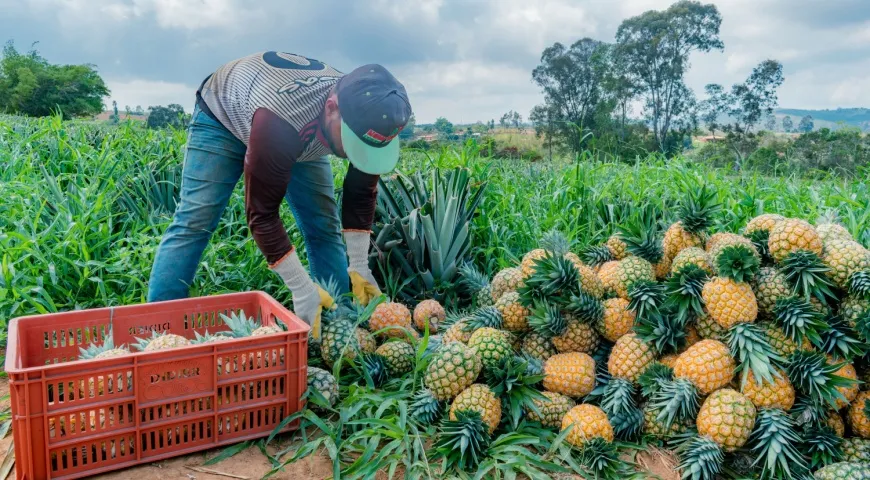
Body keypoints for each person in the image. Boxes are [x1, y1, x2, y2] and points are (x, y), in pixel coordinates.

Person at [147, 51, 412, 335]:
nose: (352, 153)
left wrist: (359, 264)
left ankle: (337, 324)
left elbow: (361, 192)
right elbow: (262, 213)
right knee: (195, 220)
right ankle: (158, 330)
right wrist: (300, 287)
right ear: (332, 107)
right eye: (352, 142)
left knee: (323, 223)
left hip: (297, 128)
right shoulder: (282, 120)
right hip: (224, 114)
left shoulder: (369, 113)